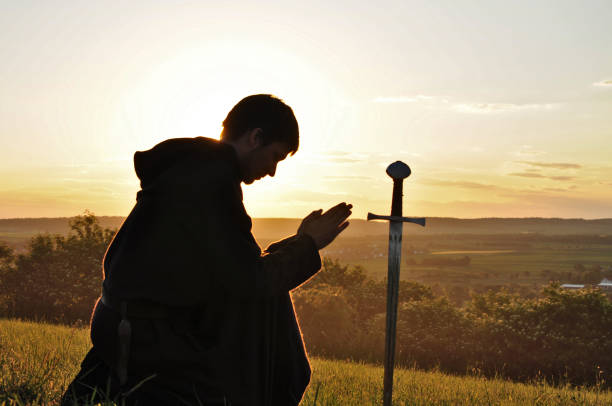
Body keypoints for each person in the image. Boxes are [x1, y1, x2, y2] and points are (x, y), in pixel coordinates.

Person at [61, 94, 352, 405]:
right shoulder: (210, 183)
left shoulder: (194, 168)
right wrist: (308, 244)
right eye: (275, 157)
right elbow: (250, 280)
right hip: (146, 336)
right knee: (254, 340)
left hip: (122, 322)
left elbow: (233, 266)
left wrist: (299, 244)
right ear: (255, 137)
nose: (272, 172)